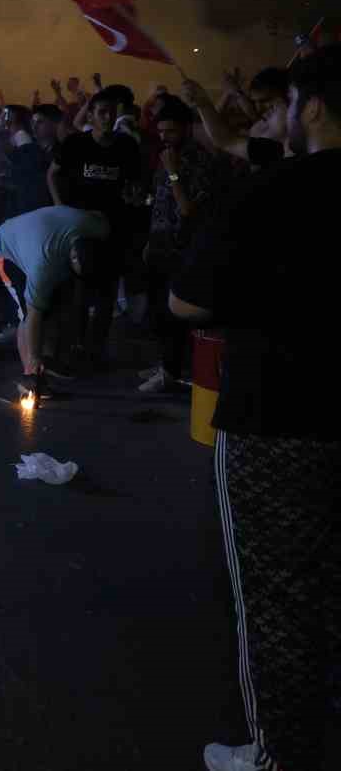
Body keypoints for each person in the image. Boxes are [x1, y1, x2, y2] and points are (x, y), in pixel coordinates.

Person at [170, 47, 341, 771]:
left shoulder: (272, 191)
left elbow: (188, 300)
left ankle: (280, 756)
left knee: (278, 596)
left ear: (315, 108)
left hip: (281, 419)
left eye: (288, 103)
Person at [48, 86, 144, 367]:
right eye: (102, 112)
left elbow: (135, 183)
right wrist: (60, 208)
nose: (107, 117)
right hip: (80, 227)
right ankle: (75, 346)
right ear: (90, 115)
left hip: (114, 227)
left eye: (111, 113)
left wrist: (134, 196)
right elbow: (52, 174)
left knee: (107, 291)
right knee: (79, 287)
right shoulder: (76, 144)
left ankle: (96, 349)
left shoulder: (126, 146)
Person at [139, 95, 222, 394]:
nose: (164, 138)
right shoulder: (164, 158)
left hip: (184, 248)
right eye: (160, 132)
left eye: (170, 132)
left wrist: (174, 172)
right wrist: (151, 239)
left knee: (174, 314)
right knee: (159, 312)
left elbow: (188, 210)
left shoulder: (200, 161)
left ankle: (172, 372)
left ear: (187, 129)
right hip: (161, 245)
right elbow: (160, 203)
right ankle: (165, 365)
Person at [0, 205, 111, 380]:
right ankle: (30, 374)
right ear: (71, 255)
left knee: (55, 307)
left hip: (40, 235)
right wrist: (34, 357)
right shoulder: (43, 265)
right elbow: (34, 315)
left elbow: (98, 213)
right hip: (7, 248)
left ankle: (50, 360)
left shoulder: (98, 228)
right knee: (26, 314)